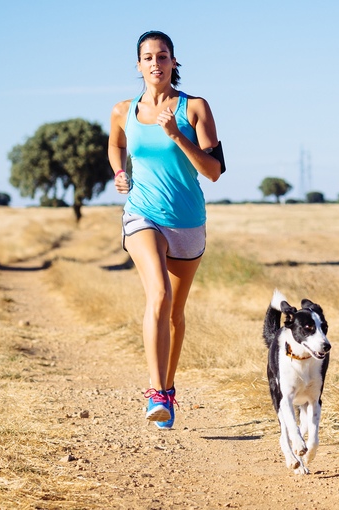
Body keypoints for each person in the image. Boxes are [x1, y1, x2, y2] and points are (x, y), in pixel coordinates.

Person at [108, 30, 224, 429]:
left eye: (162, 56)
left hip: (188, 221)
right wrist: (120, 172)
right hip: (143, 214)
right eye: (147, 57)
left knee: (175, 312)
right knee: (158, 292)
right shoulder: (124, 110)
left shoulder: (195, 108)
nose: (155, 63)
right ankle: (156, 393)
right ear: (138, 65)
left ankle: (169, 390)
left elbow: (213, 172)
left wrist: (177, 135)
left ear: (174, 62)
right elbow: (115, 145)